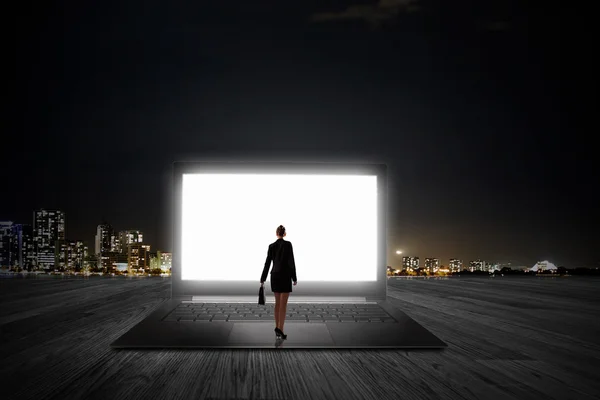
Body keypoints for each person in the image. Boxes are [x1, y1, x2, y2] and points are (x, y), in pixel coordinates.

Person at [260, 225, 297, 339]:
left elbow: (267, 264)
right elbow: (291, 262)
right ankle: (280, 329)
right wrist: (294, 278)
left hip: (275, 276)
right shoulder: (288, 245)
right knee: (283, 304)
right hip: (285, 276)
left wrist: (263, 278)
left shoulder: (272, 246)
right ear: (284, 234)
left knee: (277, 303)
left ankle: (277, 329)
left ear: (276, 233)